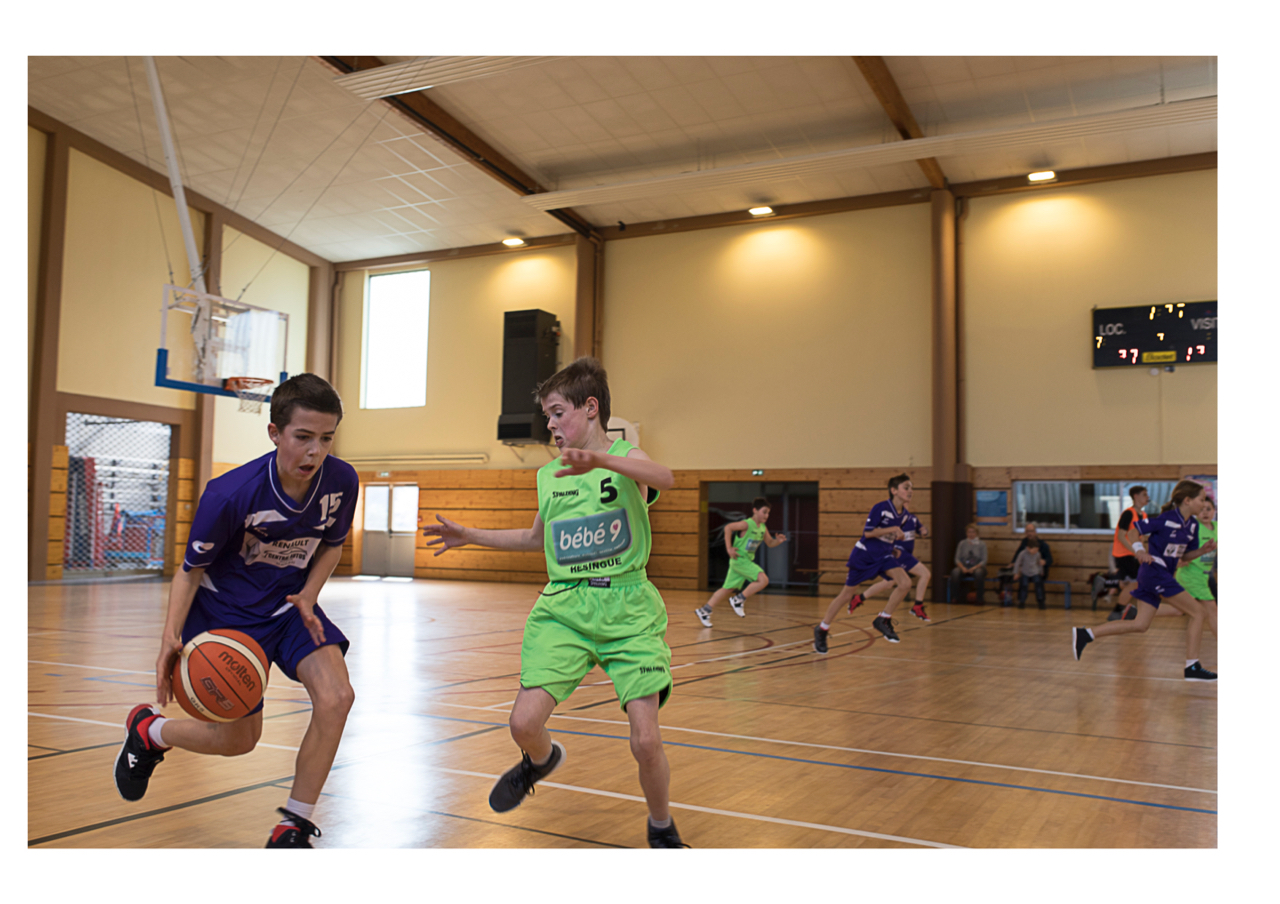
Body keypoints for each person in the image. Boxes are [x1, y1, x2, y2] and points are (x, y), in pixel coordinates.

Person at [422, 357, 688, 848]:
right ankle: (542, 760)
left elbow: (665, 477)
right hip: (564, 608)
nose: (550, 424)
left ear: (591, 408)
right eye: (547, 415)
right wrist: (470, 535)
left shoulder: (626, 456)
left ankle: (661, 827)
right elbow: (533, 539)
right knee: (522, 723)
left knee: (646, 740)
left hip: (628, 608)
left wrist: (601, 461)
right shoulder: (549, 476)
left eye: (558, 413)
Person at [113, 374, 359, 847]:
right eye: (303, 437)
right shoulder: (229, 494)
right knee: (239, 741)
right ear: (274, 433)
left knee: (337, 697)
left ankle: (293, 827)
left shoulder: (341, 480)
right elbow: (189, 571)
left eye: (327, 438)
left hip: (288, 605)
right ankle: (151, 731)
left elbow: (332, 544)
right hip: (224, 615)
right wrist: (169, 639)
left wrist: (309, 594)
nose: (315, 451)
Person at [1072, 480, 1218, 681]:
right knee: (1198, 612)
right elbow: (1133, 532)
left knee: (1140, 624)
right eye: (1201, 500)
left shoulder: (1192, 525)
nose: (1203, 504)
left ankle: (1086, 634)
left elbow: (1184, 556)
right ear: (1187, 500)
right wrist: (1139, 550)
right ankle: (1192, 667)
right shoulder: (1165, 519)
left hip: (1161, 574)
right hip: (1154, 572)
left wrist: (1202, 550)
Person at [812, 473, 915, 652]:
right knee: (846, 595)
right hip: (864, 556)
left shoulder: (905, 516)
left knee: (905, 583)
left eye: (911, 488)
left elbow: (888, 536)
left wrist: (893, 548)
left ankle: (883, 619)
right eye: (906, 488)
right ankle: (822, 628)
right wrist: (892, 529)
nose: (910, 491)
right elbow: (868, 533)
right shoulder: (880, 508)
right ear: (894, 490)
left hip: (884, 556)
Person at [695, 497, 787, 627]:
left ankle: (705, 610)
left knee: (727, 588)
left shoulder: (762, 528)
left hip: (742, 562)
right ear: (755, 510)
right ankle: (739, 599)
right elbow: (728, 528)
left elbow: (770, 543)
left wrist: (778, 541)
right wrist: (729, 548)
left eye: (768, 513)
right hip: (740, 560)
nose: (766, 515)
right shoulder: (746, 524)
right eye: (764, 512)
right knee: (763, 580)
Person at [846, 499, 931, 622]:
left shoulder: (912, 518)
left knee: (889, 583)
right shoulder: (894, 520)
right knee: (925, 574)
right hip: (900, 554)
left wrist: (924, 531)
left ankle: (859, 598)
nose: (905, 504)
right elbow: (883, 535)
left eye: (906, 501)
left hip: (907, 554)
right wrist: (893, 549)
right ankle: (917, 606)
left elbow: (921, 529)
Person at [1106, 485, 1149, 620]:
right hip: (1123, 554)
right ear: (1136, 496)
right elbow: (1121, 536)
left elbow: (1142, 537)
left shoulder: (1144, 515)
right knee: (1135, 582)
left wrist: (1143, 551)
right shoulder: (1128, 513)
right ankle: (1118, 611)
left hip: (1133, 554)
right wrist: (1136, 551)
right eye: (1144, 494)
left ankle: (1106, 585)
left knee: (1129, 583)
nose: (1147, 497)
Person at [999, 522, 1053, 605]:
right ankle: (1014, 599)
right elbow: (1017, 556)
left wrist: (1045, 561)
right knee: (1015, 578)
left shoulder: (1043, 545)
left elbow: (1050, 559)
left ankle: (1041, 601)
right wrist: (1013, 563)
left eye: (1031, 531)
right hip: (1026, 570)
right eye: (1027, 531)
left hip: (1038, 571)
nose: (1029, 533)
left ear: (1035, 532)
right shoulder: (1024, 543)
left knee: (1038, 581)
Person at [948, 523, 988, 604]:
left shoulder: (982, 544)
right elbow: (957, 559)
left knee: (979, 573)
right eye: (969, 532)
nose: (971, 534)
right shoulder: (962, 543)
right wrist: (962, 568)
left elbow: (984, 560)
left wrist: (974, 568)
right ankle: (955, 597)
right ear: (966, 533)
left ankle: (980, 598)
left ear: (976, 533)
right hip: (964, 567)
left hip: (977, 567)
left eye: (973, 532)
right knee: (955, 572)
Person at [1012, 533, 1048, 609]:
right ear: (1028, 548)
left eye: (1036, 550)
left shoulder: (1037, 554)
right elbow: (1017, 563)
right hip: (1025, 572)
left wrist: (1041, 571)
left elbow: (1039, 563)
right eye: (1034, 550)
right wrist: (1016, 573)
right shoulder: (1022, 554)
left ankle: (1041, 601)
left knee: (1038, 584)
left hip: (1035, 572)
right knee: (1024, 585)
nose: (1035, 551)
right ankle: (1022, 601)